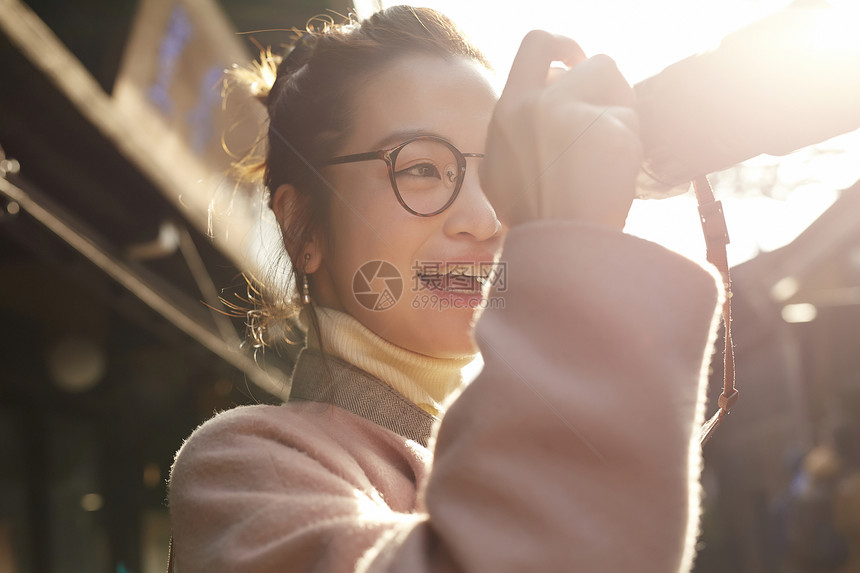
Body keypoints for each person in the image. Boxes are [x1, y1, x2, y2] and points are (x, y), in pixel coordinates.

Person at [168, 6, 722, 572]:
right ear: (301, 226)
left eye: (497, 173)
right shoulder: (246, 468)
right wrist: (574, 245)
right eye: (422, 169)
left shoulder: (515, 429)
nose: (484, 219)